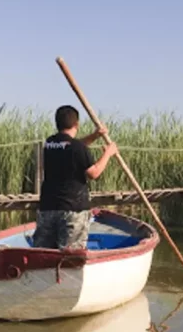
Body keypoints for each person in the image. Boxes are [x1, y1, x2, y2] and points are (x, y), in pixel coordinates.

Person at [32, 105, 118, 250]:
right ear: (76, 124)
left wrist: (95, 135)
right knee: (70, 255)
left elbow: (73, 146)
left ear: (57, 123)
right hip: (73, 210)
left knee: (44, 252)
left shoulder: (49, 143)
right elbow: (94, 173)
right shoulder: (77, 148)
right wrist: (108, 153)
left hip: (48, 208)